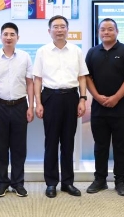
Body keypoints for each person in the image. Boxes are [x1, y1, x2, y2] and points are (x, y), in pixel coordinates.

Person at [33, 15, 89, 198]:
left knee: (68, 141)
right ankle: (51, 183)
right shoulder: (42, 51)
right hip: (50, 97)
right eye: (55, 27)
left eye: (62, 26)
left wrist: (82, 99)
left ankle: (67, 182)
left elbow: (82, 77)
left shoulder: (76, 51)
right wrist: (38, 103)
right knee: (51, 142)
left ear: (67, 30)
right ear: (49, 31)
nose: (59, 30)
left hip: (71, 97)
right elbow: (37, 79)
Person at [85, 18, 124, 196]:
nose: (106, 32)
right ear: (98, 32)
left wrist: (116, 97)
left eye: (110, 29)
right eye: (103, 29)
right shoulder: (92, 52)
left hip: (120, 108)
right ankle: (100, 179)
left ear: (117, 31)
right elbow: (87, 77)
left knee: (121, 146)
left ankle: (120, 181)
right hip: (99, 108)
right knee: (100, 146)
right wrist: (97, 96)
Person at [0, 22, 34, 198]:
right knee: (0, 147)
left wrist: (31, 106)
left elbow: (30, 83)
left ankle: (18, 183)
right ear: (0, 37)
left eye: (12, 34)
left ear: (18, 37)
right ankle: (2, 183)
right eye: (6, 34)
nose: (9, 37)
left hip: (20, 105)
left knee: (19, 147)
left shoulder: (25, 57)